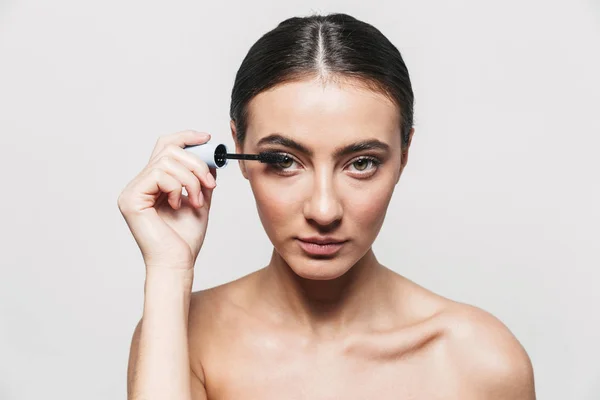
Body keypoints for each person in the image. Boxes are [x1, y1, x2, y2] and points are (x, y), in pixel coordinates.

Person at [118, 13, 536, 400]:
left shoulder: (480, 361)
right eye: (284, 161)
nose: (323, 210)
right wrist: (169, 270)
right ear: (239, 146)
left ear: (404, 153)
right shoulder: (180, 334)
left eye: (361, 163)